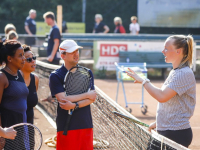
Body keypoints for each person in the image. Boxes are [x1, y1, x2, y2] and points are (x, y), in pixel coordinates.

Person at [126, 35, 196, 148]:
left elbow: (162, 96)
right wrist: (159, 123)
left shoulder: (184, 73)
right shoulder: (176, 72)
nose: (163, 51)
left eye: (166, 48)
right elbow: (172, 105)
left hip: (176, 134)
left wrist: (144, 81)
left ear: (178, 51)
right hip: (167, 131)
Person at [49, 40, 96, 150]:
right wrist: (87, 94)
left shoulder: (87, 73)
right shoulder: (55, 76)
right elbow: (63, 99)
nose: (76, 54)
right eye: (71, 52)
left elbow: (92, 98)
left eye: (77, 51)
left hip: (86, 124)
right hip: (66, 127)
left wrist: (75, 105)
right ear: (62, 55)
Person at [0, 40, 28, 128]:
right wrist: (1, 134)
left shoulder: (21, 74)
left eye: (23, 55)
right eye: (20, 55)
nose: (24, 58)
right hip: (8, 126)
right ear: (9, 58)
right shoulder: (2, 77)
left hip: (22, 123)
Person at [20, 44, 39, 124]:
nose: (33, 61)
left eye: (33, 57)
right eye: (29, 59)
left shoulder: (35, 79)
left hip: (29, 127)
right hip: (12, 128)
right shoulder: (12, 80)